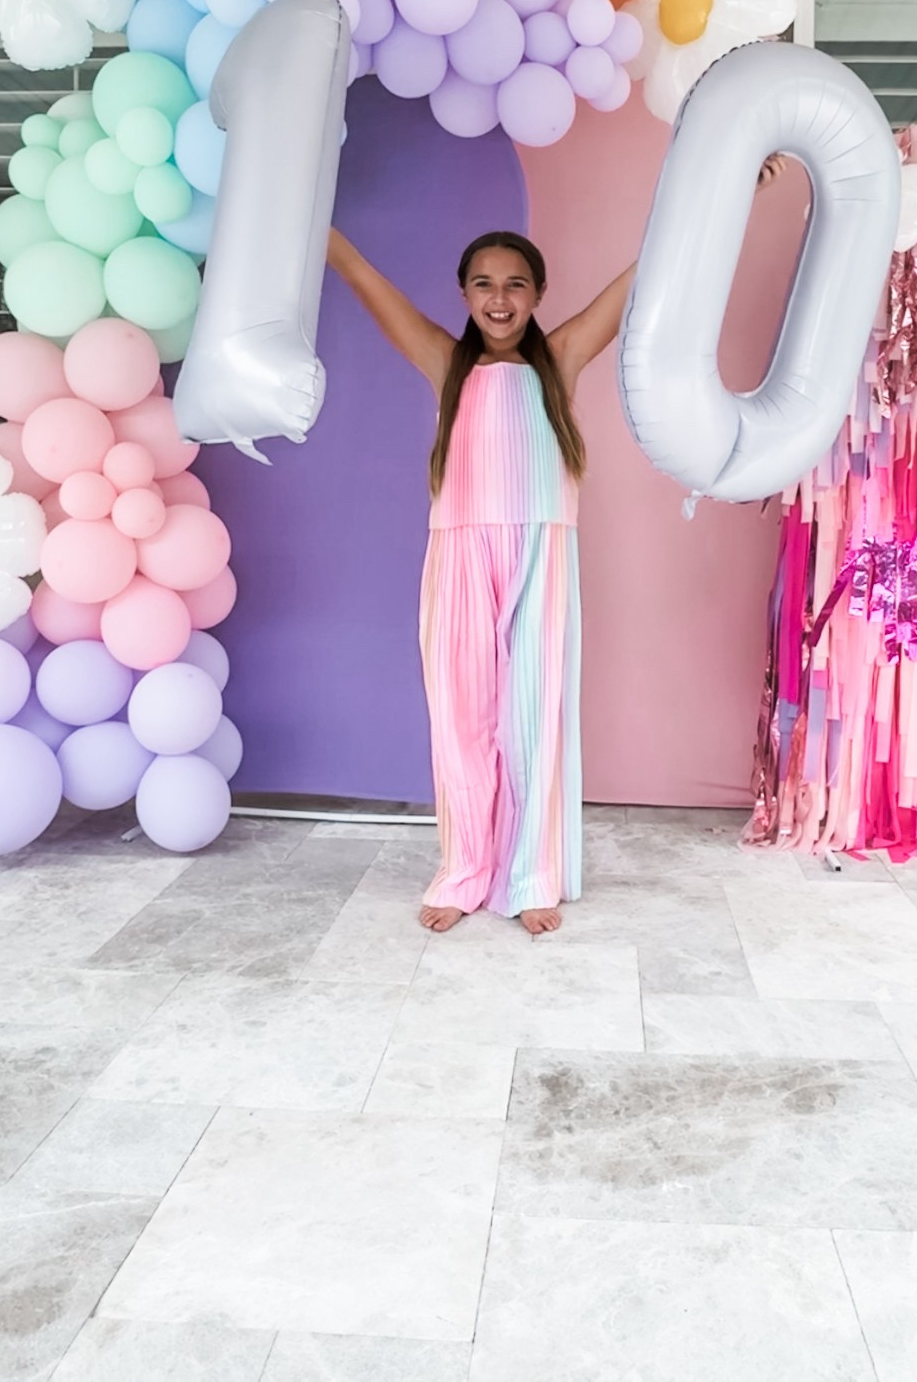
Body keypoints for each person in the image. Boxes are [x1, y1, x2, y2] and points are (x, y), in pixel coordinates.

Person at [326, 153, 786, 935]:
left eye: (514, 285)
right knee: (461, 715)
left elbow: (653, 269)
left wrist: (732, 184)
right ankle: (465, 865)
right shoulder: (446, 363)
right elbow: (369, 283)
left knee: (532, 714)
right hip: (461, 555)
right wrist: (314, 226)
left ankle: (530, 873)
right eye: (483, 284)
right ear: (464, 294)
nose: (498, 299)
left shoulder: (562, 356)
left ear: (538, 294)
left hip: (542, 553)